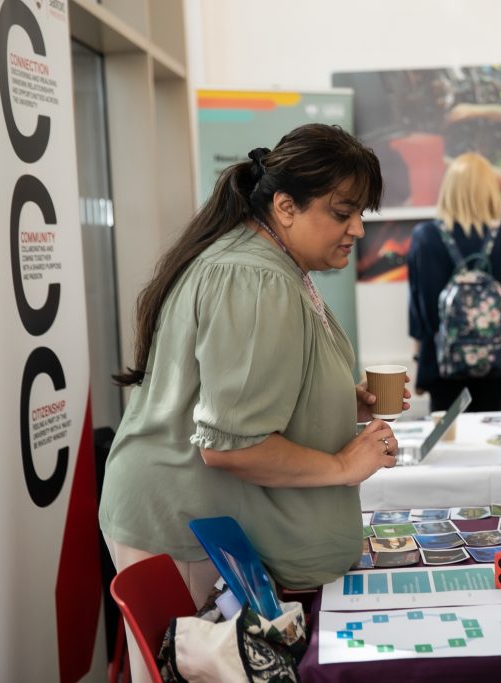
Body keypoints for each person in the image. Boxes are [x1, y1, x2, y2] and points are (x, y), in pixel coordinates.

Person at [99, 124, 408, 678]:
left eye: (361, 213)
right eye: (342, 213)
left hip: (196, 520)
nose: (357, 229)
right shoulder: (253, 276)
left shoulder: (271, 264)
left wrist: (341, 402)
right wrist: (343, 464)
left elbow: (245, 397)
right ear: (285, 206)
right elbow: (232, 446)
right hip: (185, 525)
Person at [407, 152, 501, 412]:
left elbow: (422, 311)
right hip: (498, 363)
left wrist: (421, 359)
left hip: (443, 364)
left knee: (447, 442)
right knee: (495, 438)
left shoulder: (426, 236)